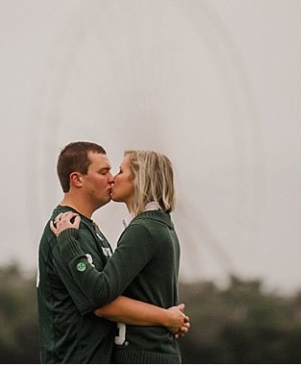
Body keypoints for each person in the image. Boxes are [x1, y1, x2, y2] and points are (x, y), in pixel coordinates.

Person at [37, 142, 188, 364]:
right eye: (104, 172)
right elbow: (99, 299)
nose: (112, 178)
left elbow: (106, 291)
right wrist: (166, 317)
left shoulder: (99, 230)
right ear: (77, 179)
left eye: (117, 171)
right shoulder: (65, 229)